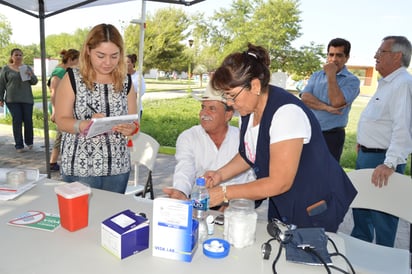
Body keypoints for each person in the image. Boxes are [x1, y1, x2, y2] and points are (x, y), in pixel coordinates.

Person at [203, 43, 357, 232]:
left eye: (232, 96)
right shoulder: (249, 109)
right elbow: (250, 153)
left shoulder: (286, 113)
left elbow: (279, 182)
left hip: (313, 205)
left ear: (255, 85)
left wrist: (225, 193)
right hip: (284, 202)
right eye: (225, 96)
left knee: (303, 257)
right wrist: (220, 174)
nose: (229, 103)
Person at [55, 24, 139, 194]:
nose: (108, 62)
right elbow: (61, 120)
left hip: (118, 166)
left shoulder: (126, 82)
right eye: (101, 55)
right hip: (81, 166)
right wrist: (83, 125)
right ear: (88, 50)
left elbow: (135, 123)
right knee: (83, 218)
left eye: (114, 56)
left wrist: (131, 129)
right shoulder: (73, 78)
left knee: (112, 216)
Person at [351, 36, 412, 247]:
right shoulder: (387, 83)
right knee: (362, 211)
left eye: (381, 52)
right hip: (368, 155)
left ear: (397, 56)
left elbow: (402, 127)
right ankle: (360, 254)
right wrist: (363, 142)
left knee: (383, 215)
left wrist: (389, 163)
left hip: (382, 160)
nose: (375, 55)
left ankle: (383, 262)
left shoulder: (402, 84)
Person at [162, 83, 253, 200]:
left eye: (212, 109)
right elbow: (185, 169)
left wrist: (231, 202)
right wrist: (181, 191)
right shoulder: (189, 137)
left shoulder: (244, 139)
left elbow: (253, 178)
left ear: (228, 115)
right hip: (199, 203)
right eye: (202, 107)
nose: (204, 113)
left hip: (236, 205)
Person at [300, 38, 360, 162]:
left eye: (339, 55)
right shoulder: (316, 75)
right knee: (304, 171)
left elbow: (337, 102)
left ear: (346, 58)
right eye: (331, 54)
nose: (333, 59)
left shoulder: (352, 81)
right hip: (308, 132)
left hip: (331, 136)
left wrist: (331, 75)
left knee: (327, 175)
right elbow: (305, 97)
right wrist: (326, 108)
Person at [0, 48, 38, 153]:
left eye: (20, 55)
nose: (18, 57)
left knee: (28, 121)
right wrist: (0, 98)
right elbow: (2, 84)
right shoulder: (6, 69)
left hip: (27, 99)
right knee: (17, 121)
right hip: (12, 99)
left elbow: (34, 82)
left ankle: (29, 141)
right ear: (12, 56)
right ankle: (19, 145)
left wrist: (31, 75)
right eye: (16, 55)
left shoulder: (26, 68)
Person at [48, 49, 80, 171]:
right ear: (71, 60)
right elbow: (53, 92)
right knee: (62, 135)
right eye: (78, 60)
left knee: (63, 135)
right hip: (60, 109)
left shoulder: (65, 70)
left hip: (65, 107)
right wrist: (55, 111)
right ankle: (53, 161)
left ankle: (54, 161)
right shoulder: (60, 72)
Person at [127, 53, 146, 118]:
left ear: (133, 63)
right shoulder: (120, 76)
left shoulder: (138, 76)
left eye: (128, 62)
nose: (125, 64)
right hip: (122, 110)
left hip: (136, 108)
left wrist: (130, 95)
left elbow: (141, 91)